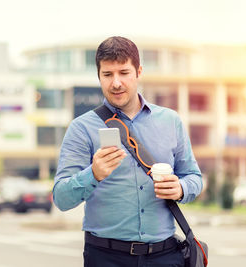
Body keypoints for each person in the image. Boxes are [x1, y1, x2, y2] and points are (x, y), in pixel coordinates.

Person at [53, 36, 203, 267]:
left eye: (124, 72)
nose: (116, 83)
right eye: (108, 74)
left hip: (164, 256)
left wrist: (181, 188)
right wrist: (93, 174)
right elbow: (61, 198)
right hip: (106, 256)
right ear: (99, 76)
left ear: (138, 72)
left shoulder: (170, 121)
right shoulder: (81, 128)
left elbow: (193, 176)